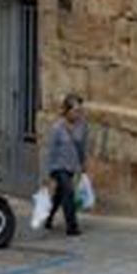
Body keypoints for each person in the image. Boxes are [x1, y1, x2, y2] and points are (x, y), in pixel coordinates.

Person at [42, 93, 88, 235]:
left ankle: (49, 217)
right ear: (66, 111)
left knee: (60, 195)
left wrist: (83, 163)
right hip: (58, 166)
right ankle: (72, 226)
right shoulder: (58, 128)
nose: (78, 114)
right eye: (75, 111)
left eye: (80, 111)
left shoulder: (82, 126)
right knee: (68, 192)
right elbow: (51, 151)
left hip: (72, 166)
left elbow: (82, 146)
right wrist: (48, 172)